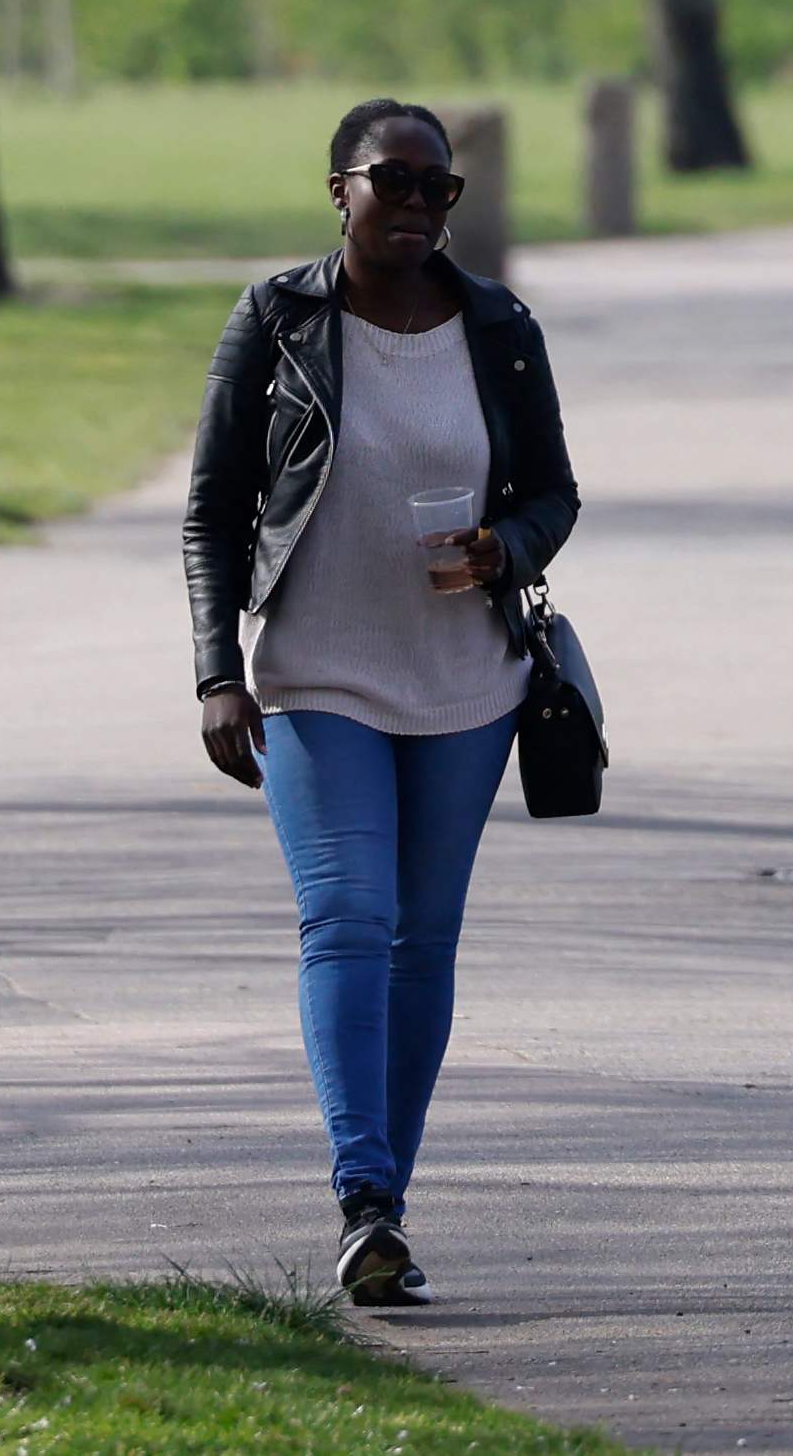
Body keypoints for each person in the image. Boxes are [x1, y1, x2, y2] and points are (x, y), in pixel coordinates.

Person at [183, 97, 581, 1314]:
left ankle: (384, 1213)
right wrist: (215, 669)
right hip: (316, 667)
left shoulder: (496, 324)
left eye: (436, 188)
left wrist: (503, 545)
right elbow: (212, 506)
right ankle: (362, 1192)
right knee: (346, 916)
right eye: (391, 181)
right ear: (337, 187)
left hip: (465, 678)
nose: (414, 205)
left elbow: (553, 493)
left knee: (422, 939)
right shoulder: (277, 318)